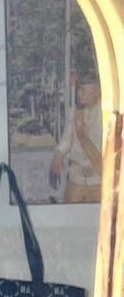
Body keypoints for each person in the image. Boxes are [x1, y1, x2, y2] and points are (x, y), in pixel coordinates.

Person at [49, 68, 102, 203]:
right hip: (76, 180)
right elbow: (66, 140)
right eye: (78, 89)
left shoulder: (108, 114)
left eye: (83, 90)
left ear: (96, 92)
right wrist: (58, 154)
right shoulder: (75, 113)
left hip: (100, 180)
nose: (79, 93)